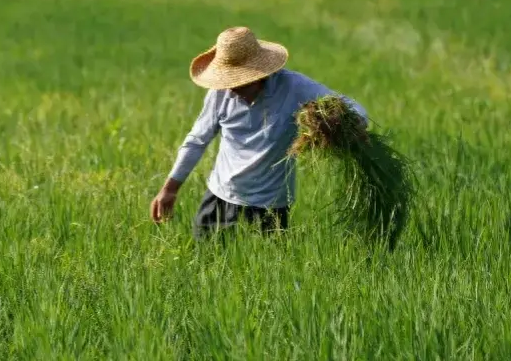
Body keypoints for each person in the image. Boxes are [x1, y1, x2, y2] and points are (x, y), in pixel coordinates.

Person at [150, 26, 368, 241]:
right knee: (206, 262)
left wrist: (349, 125)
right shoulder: (219, 94)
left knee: (266, 269)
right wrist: (170, 189)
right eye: (228, 81)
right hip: (222, 195)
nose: (231, 88)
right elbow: (197, 140)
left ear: (259, 74)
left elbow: (351, 107)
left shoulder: (294, 87)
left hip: (271, 205)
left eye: (239, 81)